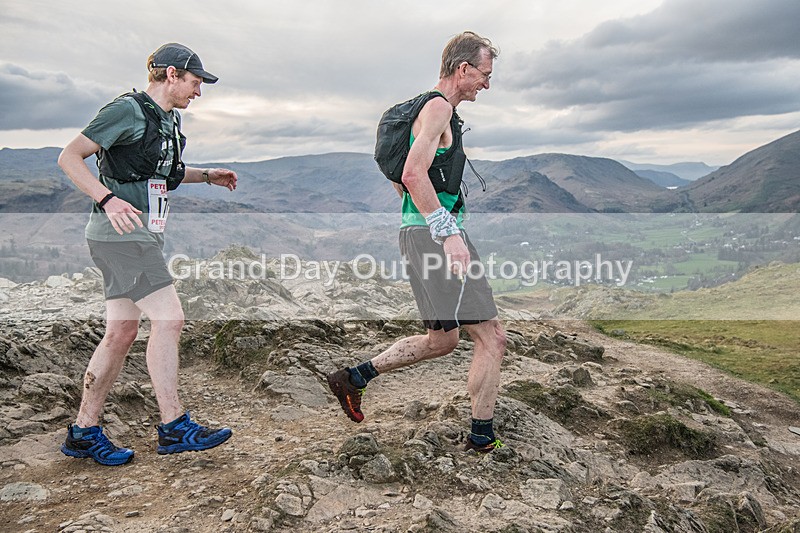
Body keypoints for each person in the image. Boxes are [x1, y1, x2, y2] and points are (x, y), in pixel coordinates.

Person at [57, 43, 237, 466]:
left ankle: (84, 431)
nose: (198, 92)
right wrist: (107, 199)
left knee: (120, 333)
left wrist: (208, 176)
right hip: (121, 236)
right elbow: (69, 157)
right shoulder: (128, 110)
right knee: (169, 317)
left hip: (139, 237)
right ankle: (174, 426)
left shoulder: (167, 120)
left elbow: (164, 174)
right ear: (171, 74)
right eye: (195, 83)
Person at [328, 31, 507, 453]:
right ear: (463, 69)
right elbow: (411, 174)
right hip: (435, 236)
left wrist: (422, 223)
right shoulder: (439, 108)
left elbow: (400, 179)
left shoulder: (424, 111)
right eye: (484, 74)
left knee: (443, 340)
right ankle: (482, 438)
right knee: (492, 337)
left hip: (416, 233)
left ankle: (354, 378)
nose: (487, 84)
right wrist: (447, 233)